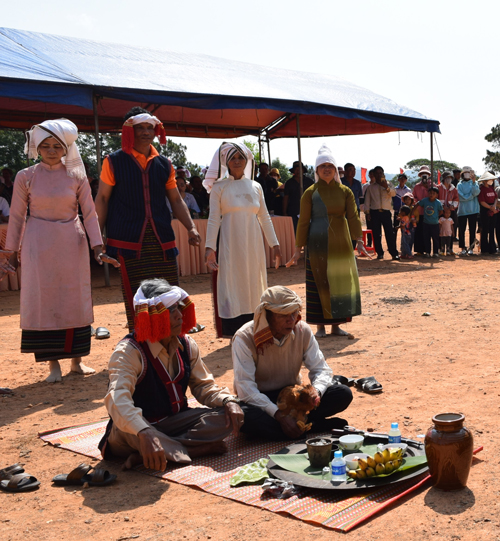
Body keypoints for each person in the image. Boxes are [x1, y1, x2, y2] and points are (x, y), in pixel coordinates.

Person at [1, 119, 116, 383]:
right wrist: (11, 254)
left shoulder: (77, 175)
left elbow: (89, 213)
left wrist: (97, 247)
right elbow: (17, 217)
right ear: (36, 147)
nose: (52, 151)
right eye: (46, 146)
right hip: (37, 243)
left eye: (57, 146)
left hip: (71, 242)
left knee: (74, 299)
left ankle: (77, 361)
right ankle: (53, 365)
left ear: (66, 149)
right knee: (43, 300)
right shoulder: (25, 176)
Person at [99, 279, 244, 471]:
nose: (180, 316)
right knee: (128, 431)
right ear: (150, 317)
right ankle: (188, 450)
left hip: (175, 422)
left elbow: (204, 387)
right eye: (170, 311)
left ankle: (156, 452)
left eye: (179, 308)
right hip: (137, 429)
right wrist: (145, 431)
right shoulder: (128, 352)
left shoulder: (187, 344)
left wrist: (228, 402)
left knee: (227, 416)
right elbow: (117, 401)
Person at [95, 108, 202, 331]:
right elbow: (103, 199)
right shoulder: (113, 161)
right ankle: (142, 346)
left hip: (161, 237)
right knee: (137, 295)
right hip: (127, 238)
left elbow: (175, 199)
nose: (145, 132)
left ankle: (172, 342)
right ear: (129, 131)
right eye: (140, 128)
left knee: (169, 293)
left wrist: (191, 227)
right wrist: (98, 239)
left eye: (149, 128)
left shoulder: (164, 163)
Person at [233, 286, 354, 440]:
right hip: (262, 399)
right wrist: (279, 415)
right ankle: (312, 427)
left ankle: (291, 428)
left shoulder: (302, 330)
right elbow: (246, 389)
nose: (291, 320)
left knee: (342, 393)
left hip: (295, 397)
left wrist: (314, 393)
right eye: (284, 315)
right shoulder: (244, 337)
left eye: (294, 313)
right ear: (267, 316)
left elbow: (321, 369)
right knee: (245, 417)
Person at [203, 142, 281, 338]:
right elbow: (213, 218)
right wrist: (209, 247)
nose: (237, 161)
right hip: (230, 242)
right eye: (233, 158)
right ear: (226, 161)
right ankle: (234, 331)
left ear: (247, 161)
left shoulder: (256, 186)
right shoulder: (219, 187)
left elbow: (264, 216)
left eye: (240, 157)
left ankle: (255, 327)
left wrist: (275, 244)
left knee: (254, 279)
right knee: (232, 280)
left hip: (253, 242)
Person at [290, 145, 363, 338]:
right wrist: (298, 249)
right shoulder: (310, 193)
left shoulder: (345, 191)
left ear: (336, 168)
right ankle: (320, 327)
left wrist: (359, 240)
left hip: (341, 242)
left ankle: (336, 326)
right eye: (323, 166)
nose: (327, 169)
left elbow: (353, 216)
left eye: (330, 165)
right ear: (316, 170)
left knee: (340, 280)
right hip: (317, 243)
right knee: (319, 281)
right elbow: (303, 222)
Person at [363, 166, 398, 260]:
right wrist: (367, 213)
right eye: (377, 173)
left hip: (386, 212)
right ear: (373, 175)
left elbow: (394, 193)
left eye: (380, 173)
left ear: (383, 174)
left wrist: (386, 187)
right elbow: (367, 201)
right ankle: (380, 253)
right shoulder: (370, 187)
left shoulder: (389, 184)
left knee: (390, 233)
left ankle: (394, 253)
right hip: (374, 212)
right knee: (376, 234)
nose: (379, 175)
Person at [456, 167, 480, 255]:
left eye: (469, 172)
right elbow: (460, 196)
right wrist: (470, 197)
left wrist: (473, 182)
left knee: (472, 229)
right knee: (461, 230)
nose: (467, 174)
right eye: (465, 172)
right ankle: (462, 247)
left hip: (473, 210)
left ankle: (471, 247)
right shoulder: (459, 184)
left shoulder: (475, 183)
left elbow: (476, 193)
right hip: (462, 210)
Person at [411, 166, 432, 255]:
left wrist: (427, 187)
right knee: (418, 231)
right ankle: (419, 250)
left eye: (426, 174)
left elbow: (434, 195)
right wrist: (418, 202)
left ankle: (427, 250)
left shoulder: (432, 185)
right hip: (419, 212)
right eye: (423, 174)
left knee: (427, 232)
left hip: (429, 212)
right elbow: (413, 197)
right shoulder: (416, 186)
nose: (424, 176)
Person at [417, 186, 443, 258]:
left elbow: (441, 211)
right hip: (426, 223)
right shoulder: (425, 200)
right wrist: (413, 211)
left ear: (436, 195)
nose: (431, 195)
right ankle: (427, 252)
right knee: (426, 238)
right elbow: (418, 204)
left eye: (433, 193)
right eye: (430, 193)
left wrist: (436, 216)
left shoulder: (438, 203)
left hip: (435, 224)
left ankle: (435, 252)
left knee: (435, 239)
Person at [437, 172, 459, 253]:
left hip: (451, 212)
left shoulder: (454, 189)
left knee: (451, 229)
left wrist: (452, 206)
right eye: (447, 177)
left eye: (450, 177)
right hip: (440, 212)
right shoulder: (438, 188)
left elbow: (456, 200)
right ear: (443, 178)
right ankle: (440, 248)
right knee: (440, 230)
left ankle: (450, 248)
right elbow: (436, 199)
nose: (449, 179)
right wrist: (443, 207)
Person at [477, 172, 498, 255]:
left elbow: (496, 197)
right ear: (485, 180)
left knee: (492, 229)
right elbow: (482, 201)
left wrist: (494, 206)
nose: (491, 181)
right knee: (485, 230)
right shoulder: (481, 189)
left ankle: (492, 248)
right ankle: (484, 248)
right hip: (485, 210)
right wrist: (490, 208)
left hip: (492, 209)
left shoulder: (491, 188)